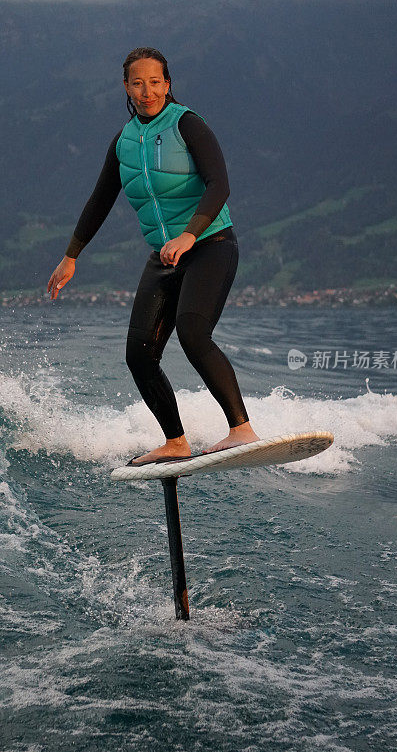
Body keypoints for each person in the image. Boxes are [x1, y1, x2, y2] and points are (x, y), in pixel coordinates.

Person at [47, 47, 259, 465]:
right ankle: (176, 441)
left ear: (168, 84)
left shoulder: (188, 125)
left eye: (155, 82)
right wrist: (71, 256)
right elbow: (100, 200)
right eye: (138, 83)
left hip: (211, 245)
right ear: (126, 86)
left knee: (193, 332)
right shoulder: (123, 142)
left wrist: (188, 235)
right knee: (139, 354)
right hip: (164, 257)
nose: (147, 91)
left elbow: (219, 185)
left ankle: (241, 430)